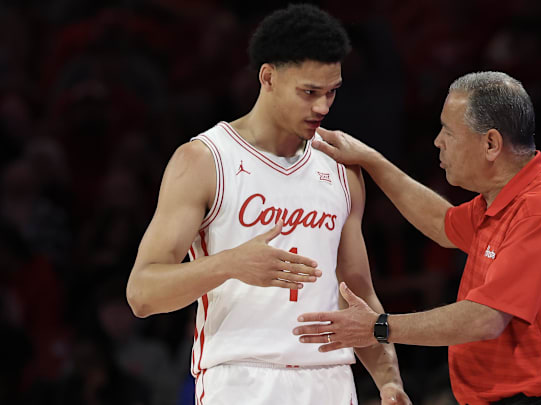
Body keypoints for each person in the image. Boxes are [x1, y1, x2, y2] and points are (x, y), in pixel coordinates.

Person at [125, 4, 410, 404]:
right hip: (241, 379)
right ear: (268, 77)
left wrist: (389, 380)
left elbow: (358, 291)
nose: (323, 107)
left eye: (332, 92)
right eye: (309, 92)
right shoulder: (205, 160)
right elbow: (142, 293)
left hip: (330, 379)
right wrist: (230, 264)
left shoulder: (342, 170)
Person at [293, 71, 541, 405]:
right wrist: (372, 160)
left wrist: (377, 326)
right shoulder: (502, 198)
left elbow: (484, 319)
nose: (438, 141)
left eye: (449, 132)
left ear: (491, 144)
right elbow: (441, 224)